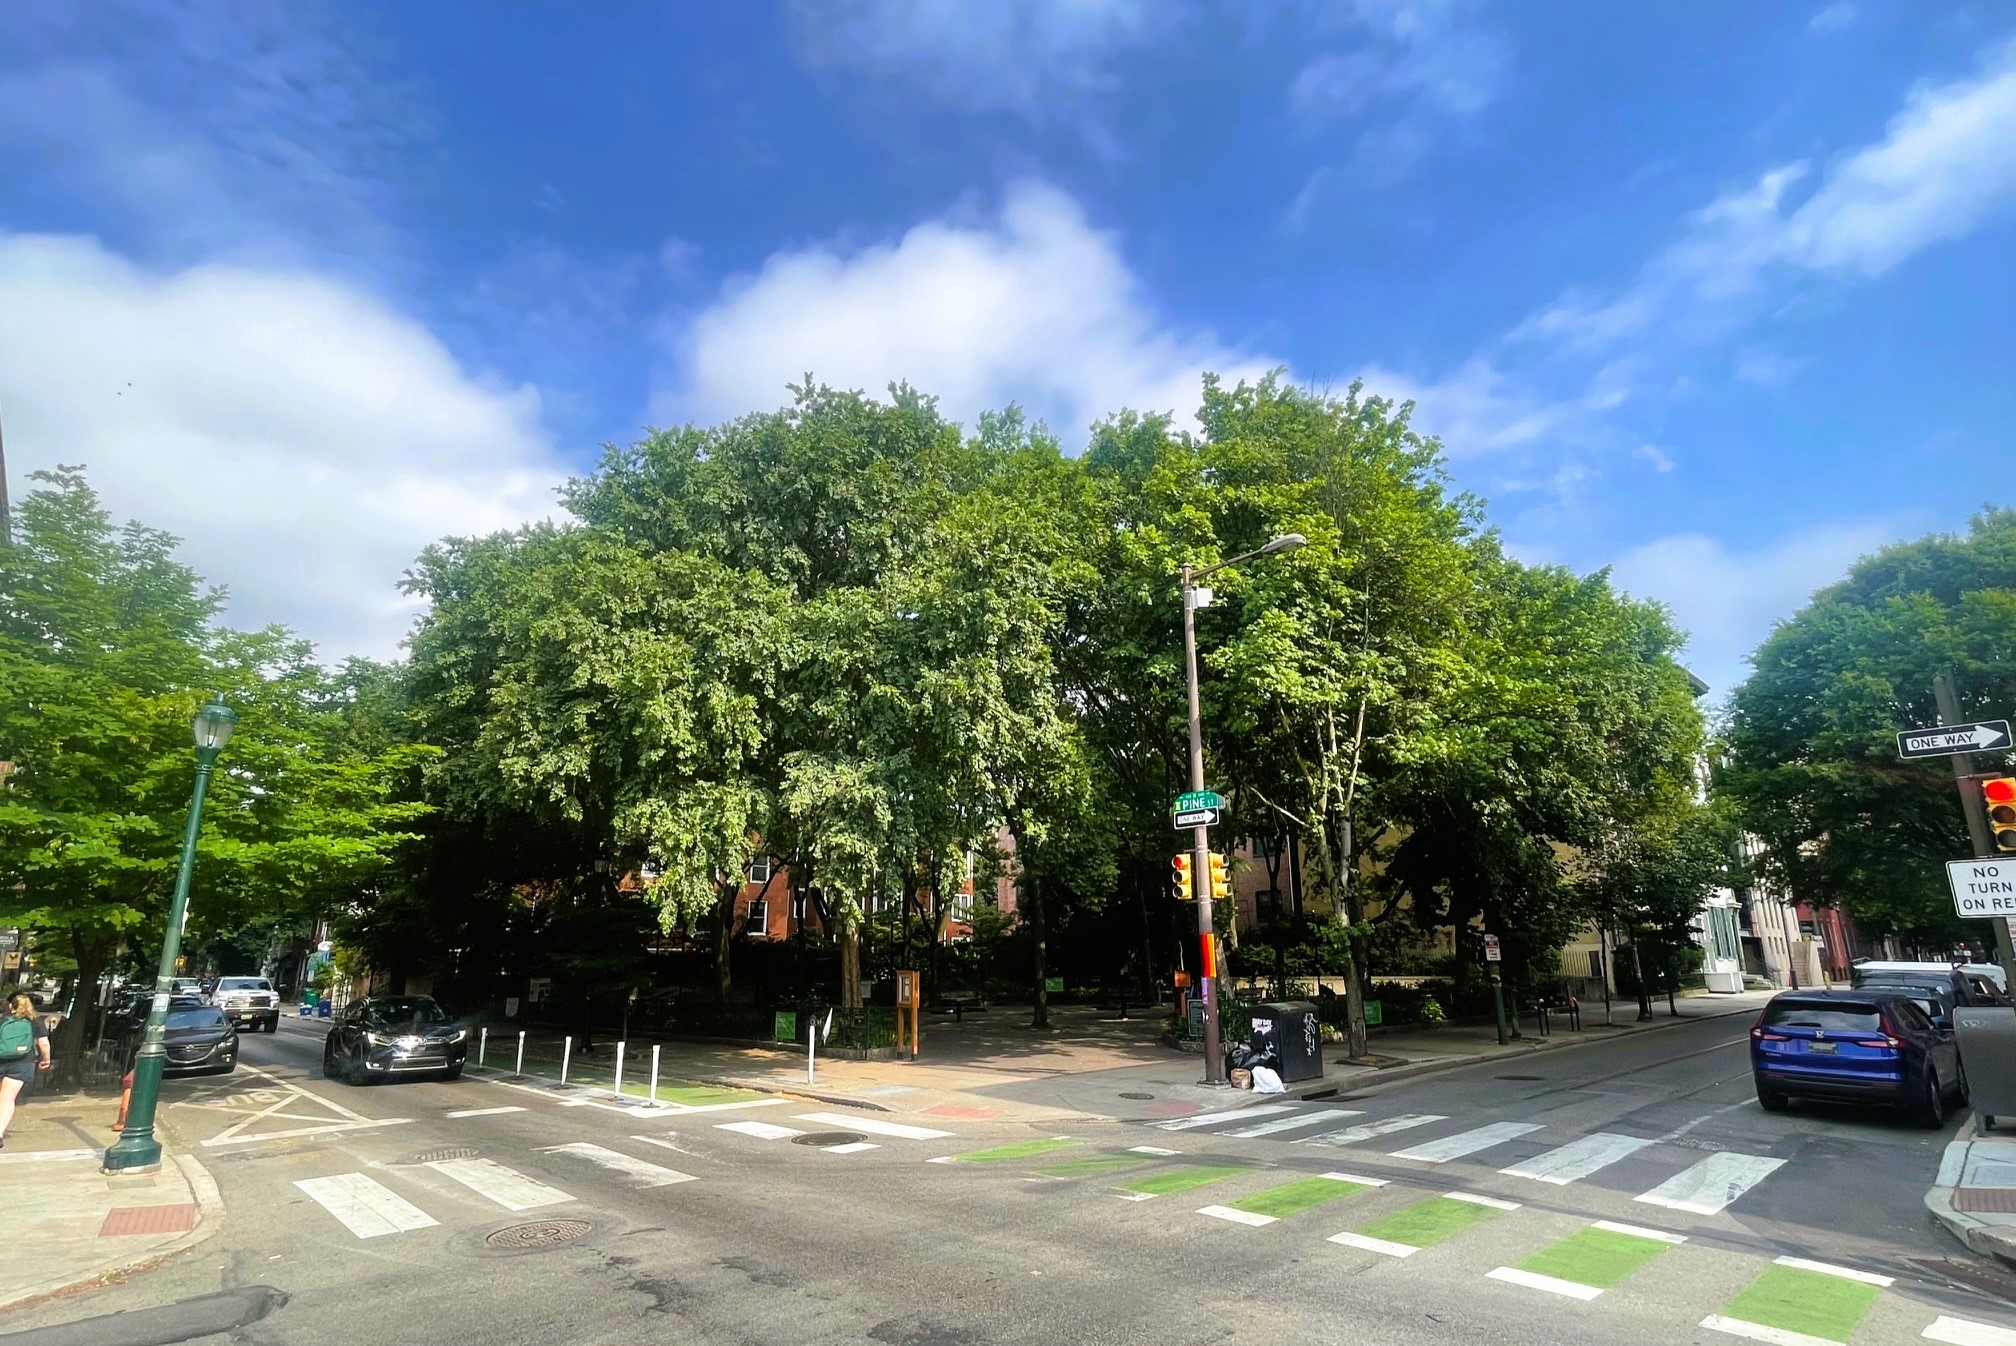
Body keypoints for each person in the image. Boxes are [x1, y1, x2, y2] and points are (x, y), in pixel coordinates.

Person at [0, 990, 53, 1149]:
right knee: (7, 1099)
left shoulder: (3, 1020)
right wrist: (46, 1059)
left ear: (11, 1006)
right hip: (22, 1063)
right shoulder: (35, 1021)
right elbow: (44, 1044)